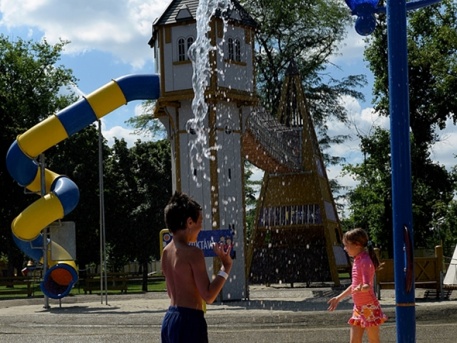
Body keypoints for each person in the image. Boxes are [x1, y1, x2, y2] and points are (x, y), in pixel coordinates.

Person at [161, 191, 233, 343]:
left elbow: (170, 293)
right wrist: (226, 266)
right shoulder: (193, 253)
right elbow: (208, 296)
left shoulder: (166, 252)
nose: (201, 227)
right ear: (189, 222)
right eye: (200, 221)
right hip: (190, 321)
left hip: (170, 320)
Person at [327, 228, 387, 343]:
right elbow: (354, 285)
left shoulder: (365, 261)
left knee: (374, 340)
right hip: (358, 308)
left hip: (369, 307)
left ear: (357, 245)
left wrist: (361, 288)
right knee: (354, 341)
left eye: (346, 245)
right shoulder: (357, 260)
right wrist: (338, 298)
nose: (344, 248)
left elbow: (366, 286)